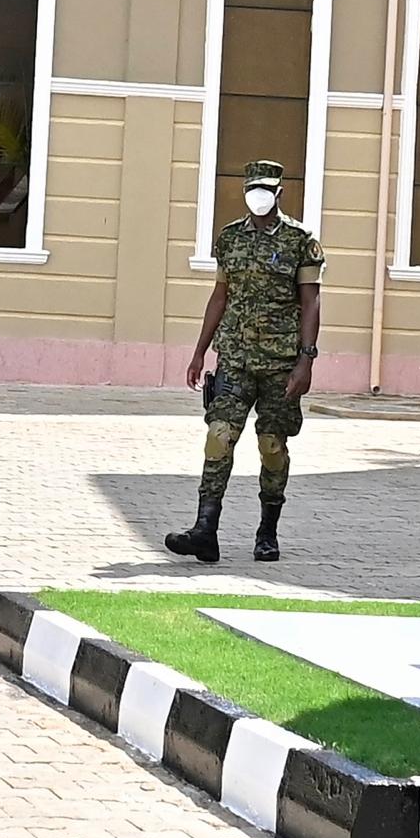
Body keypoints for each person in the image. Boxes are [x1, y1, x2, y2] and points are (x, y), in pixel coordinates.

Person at [167, 158, 323, 565]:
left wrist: (306, 361)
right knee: (218, 437)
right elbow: (220, 295)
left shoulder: (299, 240)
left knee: (272, 446)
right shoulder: (230, 238)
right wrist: (200, 351)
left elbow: (311, 302)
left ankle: (267, 531)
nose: (259, 196)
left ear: (279, 193)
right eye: (253, 188)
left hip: (280, 364)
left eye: (266, 188)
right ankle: (205, 530)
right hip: (234, 358)